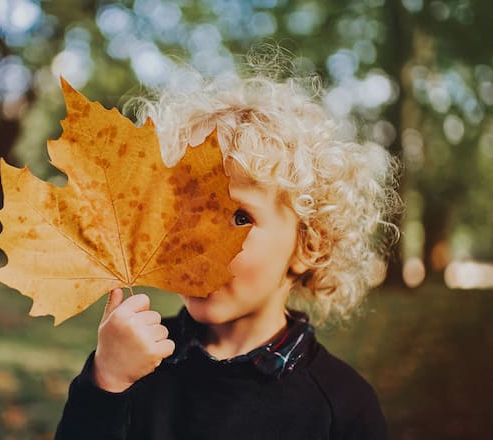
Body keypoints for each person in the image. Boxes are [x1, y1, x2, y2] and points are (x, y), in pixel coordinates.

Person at [55, 57, 400, 440]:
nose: (199, 238)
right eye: (183, 211)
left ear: (309, 246)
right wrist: (107, 381)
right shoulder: (135, 361)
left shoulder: (343, 406)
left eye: (239, 217)